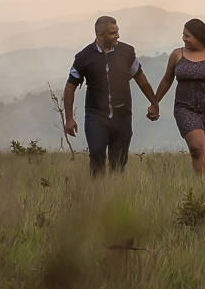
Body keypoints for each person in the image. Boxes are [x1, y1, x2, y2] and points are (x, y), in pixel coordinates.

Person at [64, 16, 160, 176]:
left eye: (117, 31)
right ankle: (97, 194)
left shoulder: (127, 52)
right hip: (96, 115)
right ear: (100, 35)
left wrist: (154, 102)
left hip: (122, 115)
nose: (117, 36)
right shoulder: (83, 57)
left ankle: (114, 192)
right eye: (112, 33)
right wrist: (69, 119)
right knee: (96, 154)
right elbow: (69, 87)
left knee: (119, 162)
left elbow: (141, 79)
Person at [152, 19, 205, 177]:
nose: (184, 39)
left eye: (187, 36)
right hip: (185, 107)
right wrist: (155, 102)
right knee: (197, 149)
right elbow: (166, 80)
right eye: (183, 35)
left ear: (199, 36)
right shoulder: (177, 54)